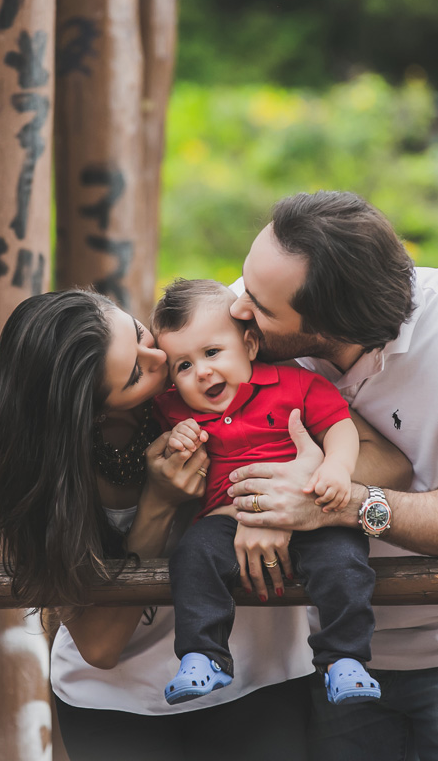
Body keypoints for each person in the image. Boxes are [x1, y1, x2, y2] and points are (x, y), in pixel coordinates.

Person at [224, 191, 438, 761]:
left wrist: (344, 503)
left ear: (329, 327)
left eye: (261, 307)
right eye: (245, 284)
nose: (237, 309)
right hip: (329, 655)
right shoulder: (245, 315)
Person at [0, 289, 328, 761]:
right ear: (95, 411)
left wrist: (279, 498)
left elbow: (379, 456)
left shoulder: (213, 350)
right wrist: (158, 506)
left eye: (140, 334)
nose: (160, 359)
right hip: (114, 704)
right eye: (135, 374)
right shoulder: (50, 470)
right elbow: (99, 646)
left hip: (259, 675)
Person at [150, 278, 380, 707]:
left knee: (345, 560)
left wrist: (336, 466)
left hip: (309, 510)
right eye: (183, 366)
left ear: (250, 345)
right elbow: (162, 451)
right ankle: (203, 654)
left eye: (212, 352)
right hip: (228, 519)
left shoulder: (296, 385)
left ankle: (344, 659)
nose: (201, 372)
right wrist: (176, 437)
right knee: (193, 555)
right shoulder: (175, 410)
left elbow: (339, 427)